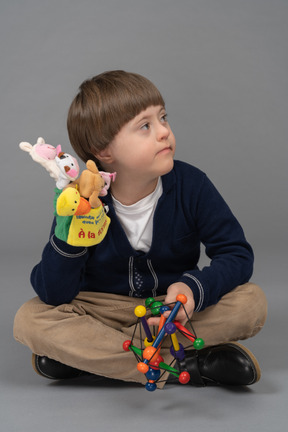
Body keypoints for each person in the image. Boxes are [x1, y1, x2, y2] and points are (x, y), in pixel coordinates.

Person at [14, 70, 267, 388]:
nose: (164, 132)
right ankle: (187, 364)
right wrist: (70, 234)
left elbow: (236, 254)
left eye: (163, 118)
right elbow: (54, 293)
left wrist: (191, 291)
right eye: (145, 126)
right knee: (30, 318)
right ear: (104, 151)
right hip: (100, 310)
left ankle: (91, 358)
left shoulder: (192, 185)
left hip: (170, 309)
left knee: (251, 302)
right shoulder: (81, 198)